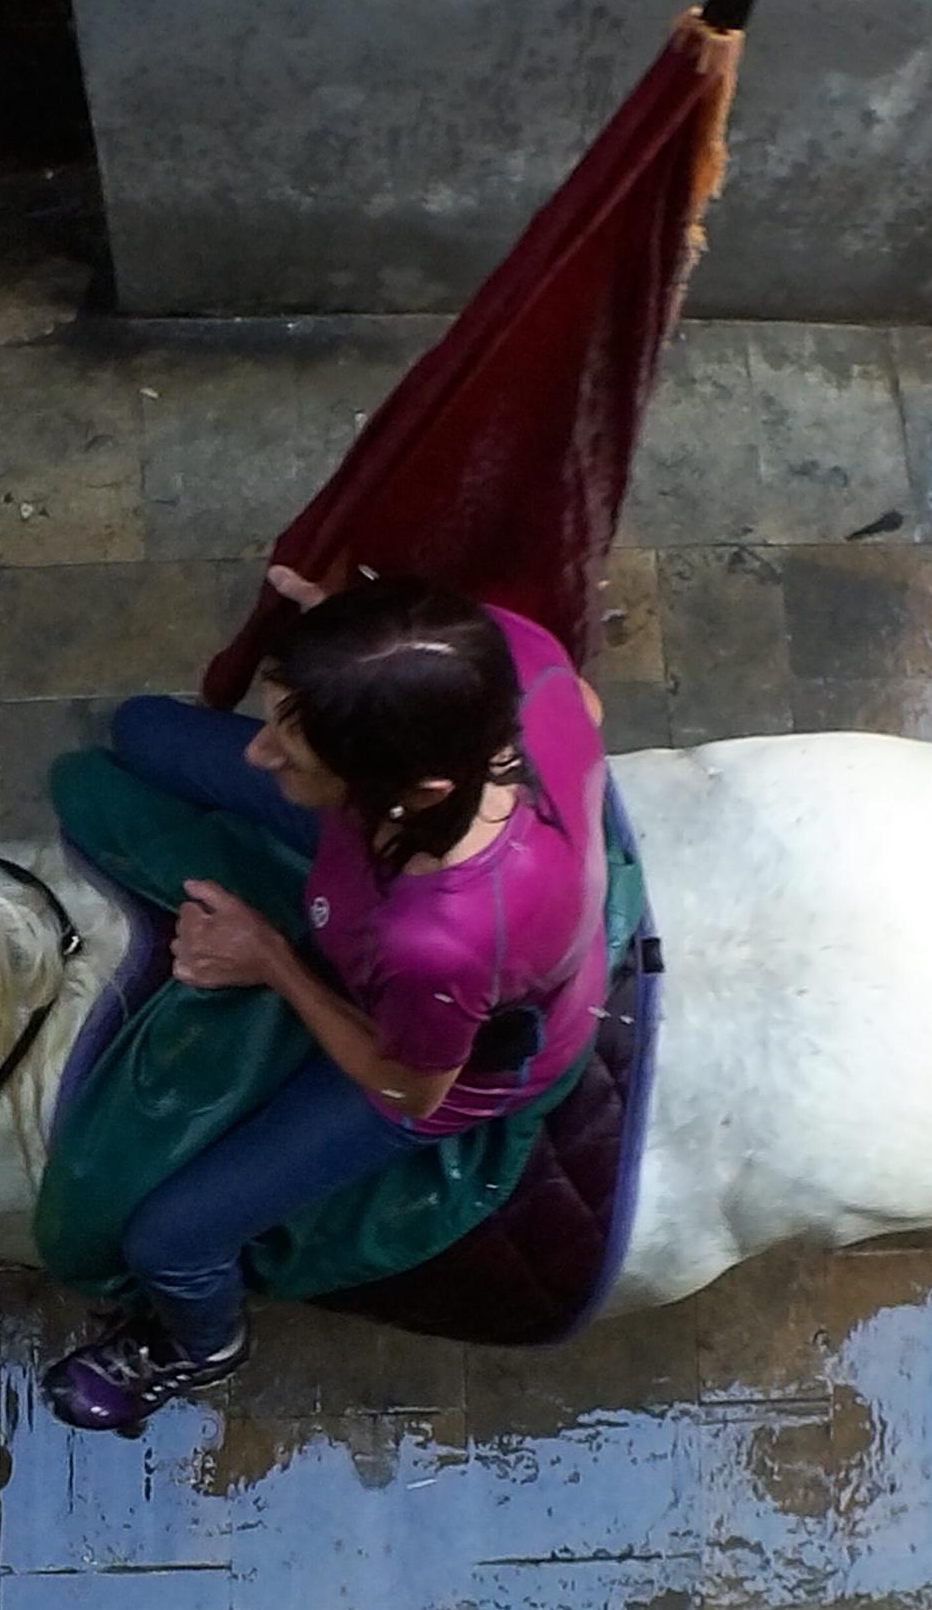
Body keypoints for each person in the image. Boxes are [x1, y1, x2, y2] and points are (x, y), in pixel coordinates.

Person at [47, 571, 615, 1431]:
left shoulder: (435, 942)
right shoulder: (504, 652)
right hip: (376, 837)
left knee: (169, 1242)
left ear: (412, 789)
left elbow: (406, 1086)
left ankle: (201, 1345)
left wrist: (270, 958)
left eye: (295, 752)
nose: (257, 752)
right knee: (143, 731)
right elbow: (584, 706)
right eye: (278, 722)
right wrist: (353, 664)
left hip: (441, 1063)